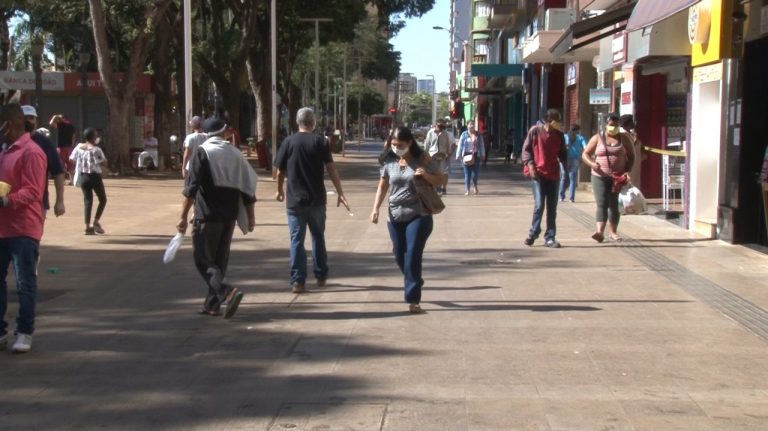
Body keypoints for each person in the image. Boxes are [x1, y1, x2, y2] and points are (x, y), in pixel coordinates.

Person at [177, 117, 256, 318]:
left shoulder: (202, 152)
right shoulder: (236, 154)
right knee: (219, 263)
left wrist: (183, 217)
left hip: (207, 215)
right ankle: (212, 305)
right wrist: (251, 216)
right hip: (229, 217)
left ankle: (227, 292)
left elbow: (191, 188)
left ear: (206, 133)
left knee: (203, 259)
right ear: (223, 132)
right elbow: (248, 187)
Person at [371, 126, 445, 314]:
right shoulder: (388, 160)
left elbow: (441, 180)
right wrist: (375, 208)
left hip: (418, 214)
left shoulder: (423, 159)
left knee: (412, 254)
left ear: (410, 143)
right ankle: (415, 279)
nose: (397, 148)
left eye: (401, 145)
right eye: (394, 144)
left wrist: (425, 175)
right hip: (395, 214)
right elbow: (383, 185)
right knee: (399, 254)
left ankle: (413, 299)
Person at [275, 107, 348, 294]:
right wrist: (340, 192)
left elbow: (279, 171)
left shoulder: (288, 142)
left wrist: (279, 191)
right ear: (313, 122)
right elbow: (331, 168)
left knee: (296, 241)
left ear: (297, 123)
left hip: (294, 201)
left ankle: (298, 281)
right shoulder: (320, 142)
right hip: (317, 200)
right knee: (318, 236)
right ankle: (321, 274)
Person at [0, 103, 48, 353]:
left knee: (24, 284)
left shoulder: (31, 152)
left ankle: (24, 331)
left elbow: (32, 190)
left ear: (11, 125)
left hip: (23, 230)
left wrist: (7, 200)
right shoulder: (5, 151)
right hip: (2, 228)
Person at [582, 112, 635, 242]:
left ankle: (613, 232)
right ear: (606, 125)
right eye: (611, 125)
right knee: (602, 203)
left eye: (616, 125)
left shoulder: (624, 138)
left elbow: (632, 156)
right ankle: (599, 232)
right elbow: (585, 154)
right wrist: (592, 164)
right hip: (599, 176)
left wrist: (627, 170)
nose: (614, 127)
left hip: (616, 177)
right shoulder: (597, 138)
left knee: (613, 205)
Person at [522, 108, 567, 248]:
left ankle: (550, 237)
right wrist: (530, 165)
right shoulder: (535, 131)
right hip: (538, 174)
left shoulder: (559, 135)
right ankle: (533, 232)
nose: (559, 123)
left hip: (553, 175)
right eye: (557, 120)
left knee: (552, 207)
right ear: (548, 120)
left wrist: (566, 172)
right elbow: (526, 150)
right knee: (539, 204)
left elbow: (563, 155)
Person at [21, 105, 66, 217]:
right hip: (9, 202)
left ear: (36, 121)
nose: (28, 121)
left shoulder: (45, 143)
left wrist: (59, 201)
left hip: (37, 202)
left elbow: (58, 172)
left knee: (31, 234)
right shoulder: (7, 141)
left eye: (31, 118)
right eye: (24, 117)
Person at [69, 128, 108, 235]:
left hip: (83, 176)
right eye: (96, 136)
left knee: (87, 201)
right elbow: (104, 162)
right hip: (94, 176)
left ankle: (87, 227)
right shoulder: (96, 150)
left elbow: (71, 159)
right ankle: (95, 221)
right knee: (102, 199)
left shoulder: (78, 147)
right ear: (93, 138)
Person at [455, 120, 485, 195]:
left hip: (475, 156)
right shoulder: (464, 134)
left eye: (473, 124)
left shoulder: (478, 134)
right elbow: (460, 145)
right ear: (467, 125)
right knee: (467, 173)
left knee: (475, 174)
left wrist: (483, 154)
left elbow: (481, 145)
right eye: (470, 124)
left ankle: (475, 186)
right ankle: (467, 190)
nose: (472, 126)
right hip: (466, 155)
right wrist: (458, 155)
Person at [559, 124, 587, 202]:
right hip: (576, 159)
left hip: (565, 159)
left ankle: (561, 196)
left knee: (563, 177)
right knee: (573, 179)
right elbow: (586, 148)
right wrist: (582, 156)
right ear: (578, 130)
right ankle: (571, 198)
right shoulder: (581, 138)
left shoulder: (565, 137)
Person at [424, 120, 450, 194]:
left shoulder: (445, 134)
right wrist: (426, 155)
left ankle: (439, 187)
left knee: (441, 172)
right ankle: (433, 188)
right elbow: (427, 144)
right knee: (432, 172)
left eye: (442, 126)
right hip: (432, 155)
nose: (440, 127)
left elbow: (447, 144)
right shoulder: (430, 133)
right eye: (439, 126)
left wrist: (447, 154)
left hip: (442, 155)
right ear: (436, 125)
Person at [48, 113, 76, 180]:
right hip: (69, 148)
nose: (59, 120)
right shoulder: (72, 126)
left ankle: (62, 180)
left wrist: (54, 116)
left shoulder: (61, 125)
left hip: (61, 147)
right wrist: (71, 146)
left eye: (60, 118)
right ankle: (72, 181)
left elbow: (51, 123)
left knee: (61, 164)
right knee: (71, 165)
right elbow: (73, 137)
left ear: (64, 118)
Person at [620, 114, 643, 189]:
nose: (634, 123)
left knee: (635, 186)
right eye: (632, 121)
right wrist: (635, 140)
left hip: (635, 165)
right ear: (627, 123)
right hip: (628, 165)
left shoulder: (631, 134)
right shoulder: (622, 135)